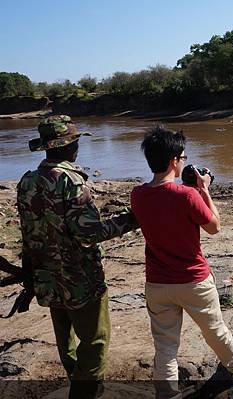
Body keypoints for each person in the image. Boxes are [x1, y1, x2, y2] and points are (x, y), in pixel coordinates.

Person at [17, 115, 139, 399]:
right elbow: (90, 234)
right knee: (95, 339)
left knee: (65, 336)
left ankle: (79, 382)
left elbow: (28, 232)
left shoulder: (27, 181)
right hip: (80, 278)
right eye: (75, 142)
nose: (77, 148)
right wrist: (132, 220)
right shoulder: (72, 181)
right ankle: (87, 392)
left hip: (46, 275)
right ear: (68, 146)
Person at [131, 126, 233, 399]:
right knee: (214, 329)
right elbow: (214, 227)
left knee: (165, 346)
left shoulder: (137, 194)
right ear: (174, 160)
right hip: (193, 280)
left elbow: (160, 201)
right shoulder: (187, 195)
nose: (184, 162)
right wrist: (204, 191)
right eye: (183, 158)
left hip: (158, 283)